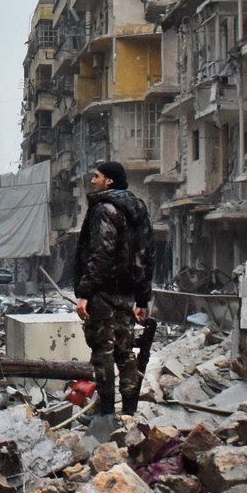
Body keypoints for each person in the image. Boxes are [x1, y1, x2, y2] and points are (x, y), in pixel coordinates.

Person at [71, 159, 152, 418]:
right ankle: (129, 412)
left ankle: (106, 413)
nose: (92, 180)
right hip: (127, 294)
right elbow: (146, 255)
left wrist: (85, 292)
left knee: (103, 351)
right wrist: (142, 298)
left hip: (103, 293)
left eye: (96, 176)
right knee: (125, 352)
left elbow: (101, 252)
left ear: (109, 181)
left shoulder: (104, 209)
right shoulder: (138, 210)